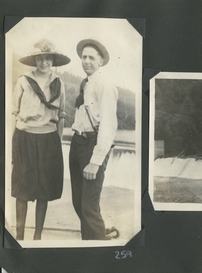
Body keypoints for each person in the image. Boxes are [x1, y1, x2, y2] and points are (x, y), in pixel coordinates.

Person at [12, 39, 70, 240]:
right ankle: (19, 237)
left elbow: (62, 114)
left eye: (48, 58)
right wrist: (15, 146)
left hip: (48, 140)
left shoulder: (59, 83)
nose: (44, 62)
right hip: (25, 137)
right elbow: (15, 112)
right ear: (34, 60)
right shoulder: (23, 80)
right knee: (22, 188)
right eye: (40, 58)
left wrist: (58, 141)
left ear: (53, 61)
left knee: (44, 188)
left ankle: (37, 237)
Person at [69, 39, 118, 240]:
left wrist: (95, 161)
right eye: (84, 57)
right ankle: (91, 239)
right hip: (78, 142)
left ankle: (98, 247)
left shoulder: (105, 85)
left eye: (91, 58)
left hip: (93, 145)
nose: (86, 61)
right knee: (79, 203)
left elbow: (108, 126)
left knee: (88, 207)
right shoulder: (85, 84)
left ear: (100, 62)